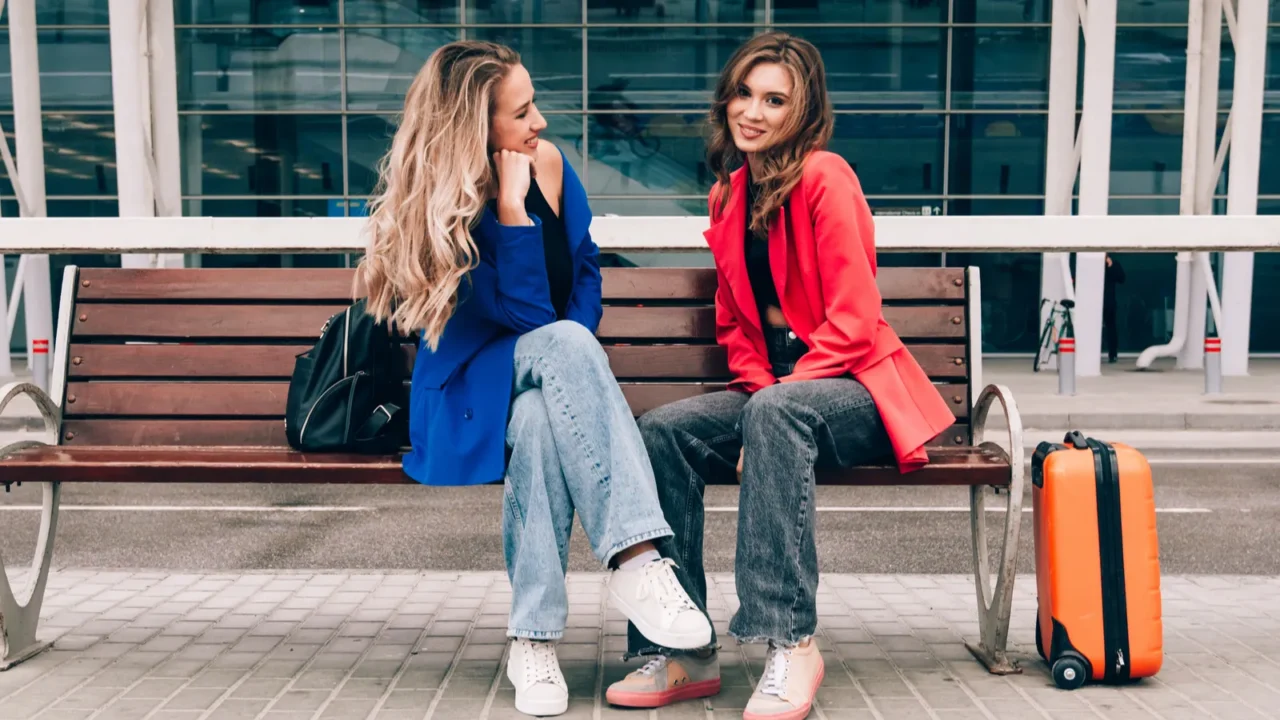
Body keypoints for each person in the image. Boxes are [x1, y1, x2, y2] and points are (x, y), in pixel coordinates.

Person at [605, 32, 957, 719]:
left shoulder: (826, 176)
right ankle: (679, 649)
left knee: (773, 415)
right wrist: (764, 400)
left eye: (774, 100)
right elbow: (736, 326)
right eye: (744, 93)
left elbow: (855, 323)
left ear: (805, 112)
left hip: (858, 391)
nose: (753, 112)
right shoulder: (729, 196)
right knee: (660, 433)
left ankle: (790, 640)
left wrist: (772, 405)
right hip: (779, 399)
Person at [356, 41, 711, 718]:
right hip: (466, 387)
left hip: (545, 378)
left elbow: (583, 273)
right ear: (475, 127)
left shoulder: (549, 164)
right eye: (521, 113)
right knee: (559, 348)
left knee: (542, 420)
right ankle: (637, 560)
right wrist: (513, 214)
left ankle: (535, 640)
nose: (540, 123)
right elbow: (519, 318)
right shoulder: (437, 206)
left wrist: (565, 344)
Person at [1104, 253, 1126, 363]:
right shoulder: (1091, 264)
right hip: (1093, 301)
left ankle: (1112, 354)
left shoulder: (1113, 264)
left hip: (1109, 302)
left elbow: (1122, 278)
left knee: (1111, 328)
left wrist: (1111, 265)